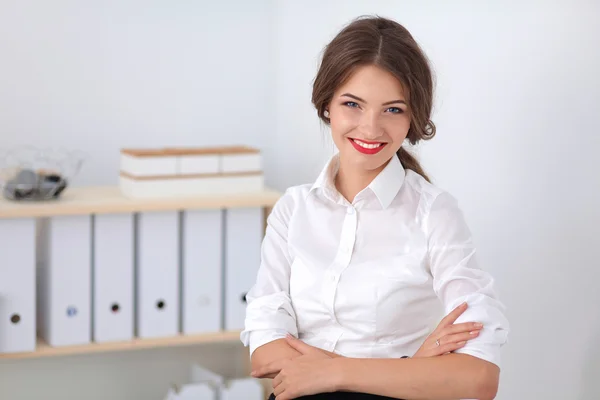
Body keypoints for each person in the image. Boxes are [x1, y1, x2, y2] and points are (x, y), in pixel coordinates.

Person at [241, 15, 509, 400]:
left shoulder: (435, 213)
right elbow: (264, 354)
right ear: (327, 104)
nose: (370, 128)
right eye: (353, 104)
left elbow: (479, 379)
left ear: (413, 115)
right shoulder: (293, 209)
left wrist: (333, 372)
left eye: (393, 109)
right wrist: (412, 366)